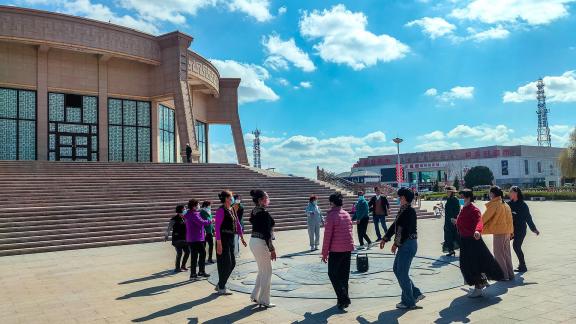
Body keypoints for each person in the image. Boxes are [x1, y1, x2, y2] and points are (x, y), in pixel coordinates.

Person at [380, 188, 425, 309]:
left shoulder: (410, 211)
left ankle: (409, 302)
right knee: (397, 270)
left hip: (408, 244)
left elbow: (405, 231)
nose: (398, 199)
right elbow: (395, 225)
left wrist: (396, 244)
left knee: (402, 273)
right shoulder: (403, 209)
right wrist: (385, 238)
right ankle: (415, 293)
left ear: (405, 198)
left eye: (400, 197)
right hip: (404, 244)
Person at [456, 189, 504, 298]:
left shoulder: (474, 209)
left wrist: (477, 231)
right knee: (470, 264)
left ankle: (478, 287)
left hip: (472, 240)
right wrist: (457, 222)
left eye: (462, 197)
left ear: (468, 197)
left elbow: (479, 221)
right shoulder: (464, 208)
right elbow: (463, 222)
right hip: (464, 240)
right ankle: (482, 282)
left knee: (473, 265)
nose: (460, 199)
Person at [321, 192, 354, 311]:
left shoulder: (331, 215)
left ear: (332, 202)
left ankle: (344, 298)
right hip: (348, 248)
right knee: (344, 276)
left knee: (332, 274)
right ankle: (342, 301)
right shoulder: (346, 214)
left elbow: (327, 236)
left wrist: (324, 253)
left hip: (336, 250)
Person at [248, 189, 277, 308]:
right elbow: (267, 233)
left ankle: (255, 295)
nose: (267, 199)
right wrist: (272, 249)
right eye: (265, 197)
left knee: (262, 271)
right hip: (261, 242)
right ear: (260, 200)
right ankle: (264, 300)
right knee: (267, 271)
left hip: (254, 241)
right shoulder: (263, 213)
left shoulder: (255, 211)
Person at [215, 190, 247, 295]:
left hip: (231, 238)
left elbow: (237, 223)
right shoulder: (221, 210)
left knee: (232, 263)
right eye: (230, 197)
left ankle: (220, 284)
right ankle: (222, 286)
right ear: (225, 199)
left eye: (232, 197)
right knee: (226, 264)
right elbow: (217, 227)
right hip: (222, 239)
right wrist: (219, 243)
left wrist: (241, 237)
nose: (232, 199)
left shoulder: (232, 209)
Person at [483, 186, 515, 281]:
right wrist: (511, 231)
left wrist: (476, 226)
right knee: (506, 253)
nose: (489, 195)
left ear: (493, 194)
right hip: (507, 231)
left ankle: (503, 275)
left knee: (498, 253)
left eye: (490, 193)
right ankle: (510, 274)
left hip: (499, 232)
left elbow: (484, 218)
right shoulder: (505, 204)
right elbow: (510, 220)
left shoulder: (495, 204)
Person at [507, 186, 540, 272]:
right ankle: (505, 266)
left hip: (520, 229)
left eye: (511, 192)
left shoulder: (523, 205)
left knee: (516, 246)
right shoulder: (509, 204)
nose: (509, 194)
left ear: (516, 193)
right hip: (511, 229)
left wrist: (534, 229)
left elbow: (528, 218)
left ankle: (523, 266)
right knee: (504, 244)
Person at [184, 199, 212, 280]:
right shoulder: (194, 214)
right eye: (197, 205)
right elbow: (202, 222)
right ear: (193, 206)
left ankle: (193, 274)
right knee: (202, 253)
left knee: (194, 256)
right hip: (197, 238)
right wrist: (210, 221)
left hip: (191, 238)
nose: (199, 206)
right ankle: (201, 271)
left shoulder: (189, 214)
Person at [165, 204, 189, 273]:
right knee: (179, 253)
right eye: (184, 209)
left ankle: (183, 266)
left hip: (185, 238)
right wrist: (167, 235)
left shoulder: (185, 218)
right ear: (180, 210)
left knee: (187, 252)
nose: (185, 210)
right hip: (177, 239)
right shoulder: (174, 219)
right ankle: (177, 268)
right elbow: (169, 228)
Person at [442, 186, 461, 257]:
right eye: (446, 191)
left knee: (456, 235)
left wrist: (454, 218)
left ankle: (464, 249)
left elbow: (457, 209)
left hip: (453, 220)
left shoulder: (455, 199)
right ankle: (451, 250)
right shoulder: (449, 199)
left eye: (448, 191)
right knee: (448, 236)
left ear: (452, 192)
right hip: (447, 220)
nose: (447, 192)